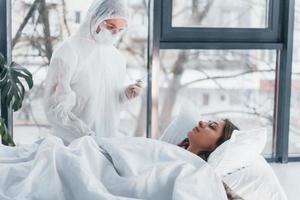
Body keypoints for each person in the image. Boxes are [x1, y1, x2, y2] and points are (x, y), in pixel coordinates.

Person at [43, 0, 142, 144]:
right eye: (110, 26)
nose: (115, 33)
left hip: (106, 142)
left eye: (120, 29)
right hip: (72, 145)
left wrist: (125, 94)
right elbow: (55, 109)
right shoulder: (69, 52)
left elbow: (107, 103)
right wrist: (85, 135)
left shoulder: (116, 58)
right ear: (94, 19)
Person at [178, 119, 243, 200]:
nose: (201, 122)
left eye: (212, 126)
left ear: (218, 146)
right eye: (208, 122)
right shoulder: (172, 151)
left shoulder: (200, 179)